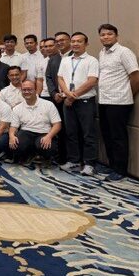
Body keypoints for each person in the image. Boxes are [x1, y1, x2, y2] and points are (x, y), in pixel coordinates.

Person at [98, 24, 139, 181]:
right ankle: (112, 166)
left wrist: (127, 95)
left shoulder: (124, 52)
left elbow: (136, 77)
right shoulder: (102, 52)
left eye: (109, 34)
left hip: (119, 102)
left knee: (118, 137)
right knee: (107, 135)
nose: (106, 37)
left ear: (116, 36)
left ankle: (120, 170)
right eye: (103, 34)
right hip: (104, 100)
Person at [57, 32, 99, 176]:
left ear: (86, 44)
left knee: (88, 134)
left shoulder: (92, 60)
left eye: (79, 41)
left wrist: (73, 96)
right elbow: (60, 78)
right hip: (68, 101)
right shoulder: (65, 60)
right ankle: (73, 160)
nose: (75, 44)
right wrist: (67, 94)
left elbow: (92, 81)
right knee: (71, 133)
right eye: (73, 41)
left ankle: (89, 164)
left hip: (85, 101)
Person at [9, 80, 62, 164]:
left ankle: (44, 156)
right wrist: (11, 136)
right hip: (26, 132)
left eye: (29, 89)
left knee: (45, 147)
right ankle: (30, 155)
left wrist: (49, 136)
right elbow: (13, 126)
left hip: (44, 133)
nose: (27, 92)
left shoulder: (48, 104)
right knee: (15, 145)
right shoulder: (17, 108)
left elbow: (57, 124)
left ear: (35, 90)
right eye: (24, 90)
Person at [45, 31, 71, 163]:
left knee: (72, 130)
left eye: (63, 40)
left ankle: (75, 159)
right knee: (60, 129)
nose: (60, 43)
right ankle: (62, 157)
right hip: (57, 99)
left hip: (72, 99)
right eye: (57, 41)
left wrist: (68, 94)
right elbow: (48, 77)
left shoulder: (75, 56)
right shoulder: (53, 58)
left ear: (69, 41)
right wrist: (54, 93)